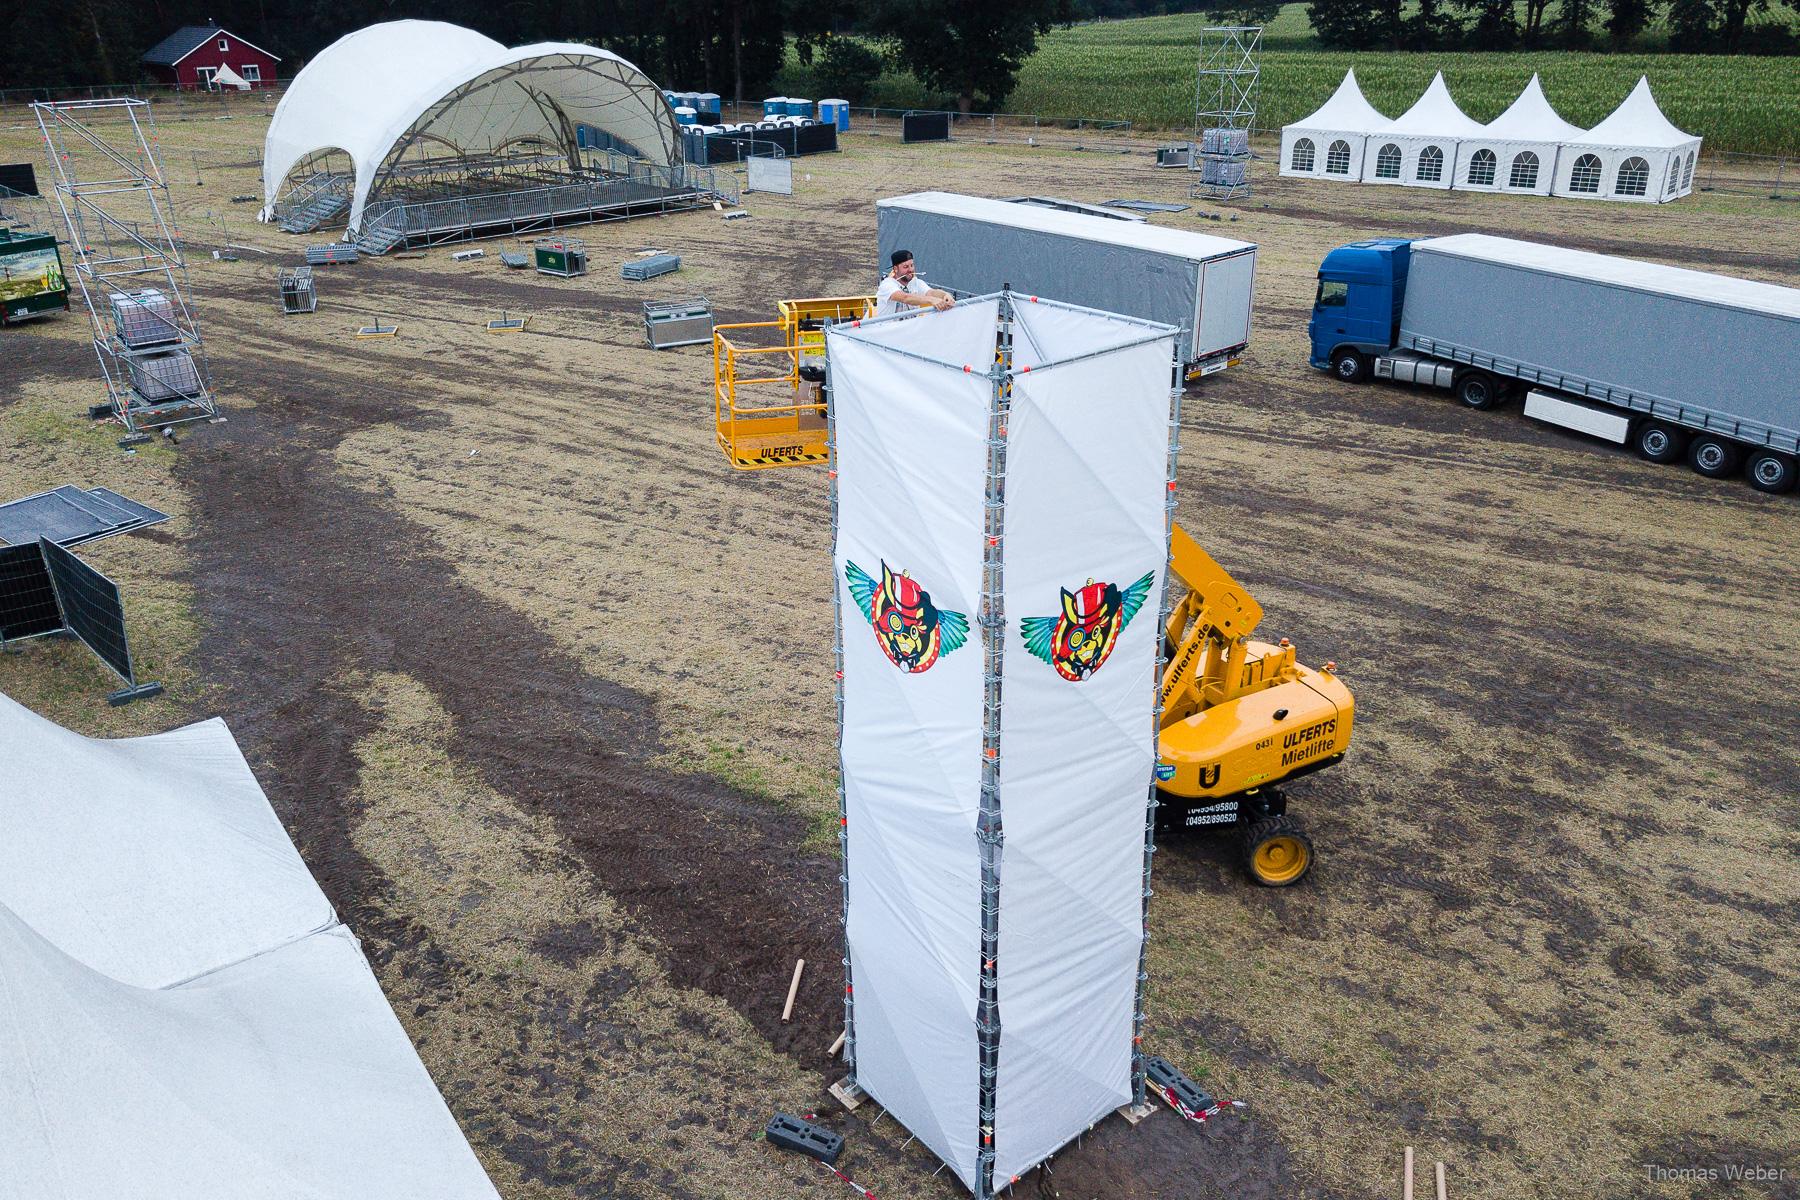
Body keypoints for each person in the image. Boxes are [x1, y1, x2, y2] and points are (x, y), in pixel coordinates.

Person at [876, 250, 954, 317]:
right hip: (887, 331)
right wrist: (932, 300)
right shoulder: (887, 284)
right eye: (906, 267)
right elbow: (905, 298)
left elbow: (931, 292)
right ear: (895, 269)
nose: (910, 270)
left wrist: (945, 295)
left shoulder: (916, 282)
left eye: (912, 265)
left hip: (909, 330)